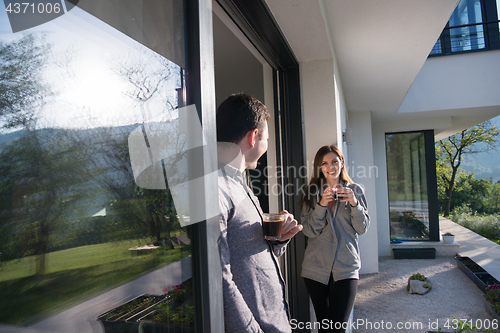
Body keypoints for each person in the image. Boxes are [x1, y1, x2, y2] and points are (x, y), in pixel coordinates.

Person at [216, 93, 303, 332]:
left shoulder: (241, 184)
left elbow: (245, 253)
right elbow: (219, 278)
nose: (266, 144)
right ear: (254, 137)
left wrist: (277, 240)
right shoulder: (217, 187)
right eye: (267, 138)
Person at [300, 145, 370, 332]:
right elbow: (309, 231)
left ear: (341, 163)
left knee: (337, 328)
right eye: (324, 163)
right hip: (315, 268)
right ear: (319, 167)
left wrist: (354, 203)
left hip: (346, 267)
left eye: (334, 161)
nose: (330, 167)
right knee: (324, 329)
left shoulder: (356, 190)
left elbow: (362, 228)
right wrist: (322, 204)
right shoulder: (311, 192)